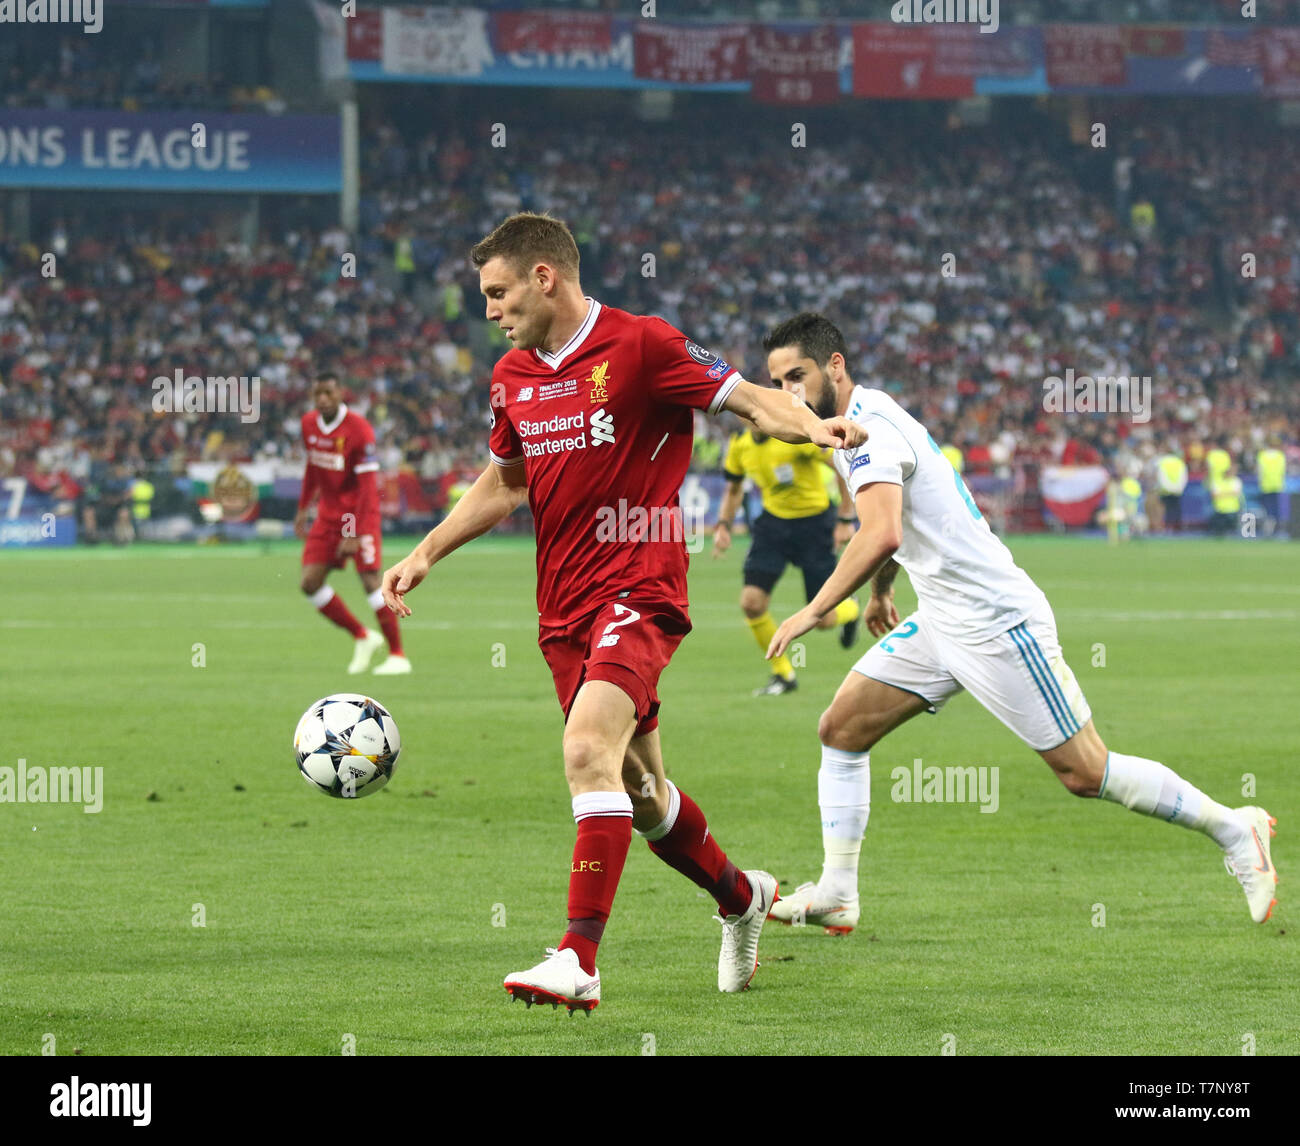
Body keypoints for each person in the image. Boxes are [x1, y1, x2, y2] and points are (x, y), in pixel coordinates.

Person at [381, 214, 865, 1012]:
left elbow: (747, 400)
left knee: (583, 751)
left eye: (499, 293)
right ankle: (741, 896)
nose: (492, 311)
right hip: (562, 608)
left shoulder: (641, 345)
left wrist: (818, 428)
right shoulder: (511, 376)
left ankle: (578, 958)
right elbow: (506, 482)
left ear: (546, 277)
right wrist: (427, 549)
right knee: (641, 793)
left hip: (639, 586)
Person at [757, 313, 1277, 935]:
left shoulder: (868, 432)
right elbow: (900, 524)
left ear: (834, 367)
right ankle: (839, 892)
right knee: (840, 729)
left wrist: (816, 609)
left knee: (1085, 773)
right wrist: (883, 592)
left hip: (997, 622)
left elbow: (883, 530)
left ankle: (1233, 828)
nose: (788, 394)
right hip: (942, 620)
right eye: (777, 382)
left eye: (797, 376)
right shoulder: (854, 423)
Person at [712, 423, 860, 696]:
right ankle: (783, 675)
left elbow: (840, 467)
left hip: (815, 525)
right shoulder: (739, 445)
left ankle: (852, 610)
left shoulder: (791, 435)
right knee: (751, 603)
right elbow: (733, 489)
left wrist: (844, 518)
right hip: (773, 526)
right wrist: (723, 524)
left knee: (823, 621)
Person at [296, 372, 409, 675]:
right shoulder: (308, 424)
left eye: (328, 393)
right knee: (309, 582)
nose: (323, 399)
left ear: (340, 394)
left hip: (358, 515)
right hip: (327, 516)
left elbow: (367, 488)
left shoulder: (359, 430)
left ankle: (398, 655)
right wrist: (302, 507)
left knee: (372, 581)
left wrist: (354, 531)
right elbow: (313, 468)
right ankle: (362, 636)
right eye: (318, 393)